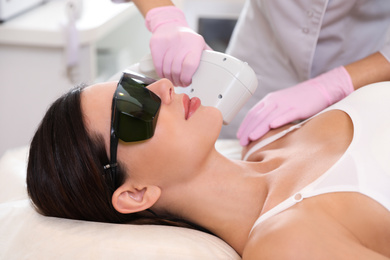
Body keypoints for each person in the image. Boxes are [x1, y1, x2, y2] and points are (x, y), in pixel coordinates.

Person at [27, 73, 390, 259]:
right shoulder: (286, 245)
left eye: (136, 84)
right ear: (136, 193)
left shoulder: (265, 137)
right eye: (132, 108)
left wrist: (346, 78)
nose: (164, 87)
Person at [112, 0, 390, 145]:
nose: (165, 89)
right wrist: (163, 16)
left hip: (371, 60)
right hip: (267, 53)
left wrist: (337, 84)